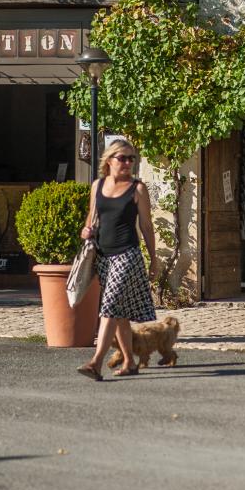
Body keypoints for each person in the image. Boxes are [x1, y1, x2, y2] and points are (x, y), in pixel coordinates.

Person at [77, 139, 158, 380]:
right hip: (103, 255)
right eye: (122, 158)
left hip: (127, 255)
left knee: (110, 305)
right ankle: (130, 362)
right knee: (120, 313)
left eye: (131, 158)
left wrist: (154, 259)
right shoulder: (97, 186)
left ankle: (96, 361)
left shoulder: (137, 189)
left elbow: (146, 225)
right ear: (109, 160)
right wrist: (86, 231)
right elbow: (91, 219)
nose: (127, 163)